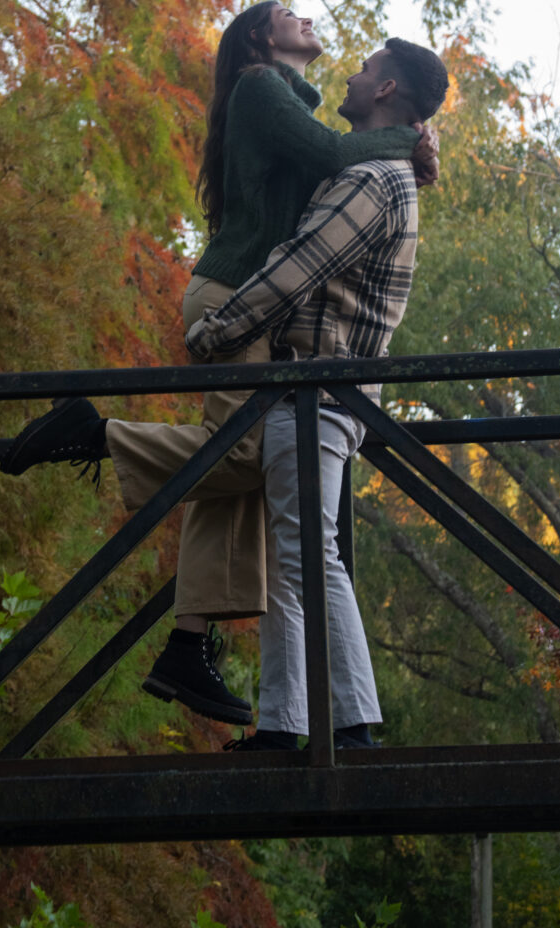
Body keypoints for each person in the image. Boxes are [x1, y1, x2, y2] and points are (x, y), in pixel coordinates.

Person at [0, 3, 435, 729]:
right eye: (292, 14)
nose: (312, 22)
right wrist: (410, 142)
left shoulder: (300, 109)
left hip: (249, 301)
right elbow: (335, 160)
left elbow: (338, 168)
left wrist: (412, 151)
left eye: (369, 69)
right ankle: (97, 434)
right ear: (264, 38)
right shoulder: (262, 88)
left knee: (239, 463)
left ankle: (189, 642)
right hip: (235, 294)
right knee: (247, 454)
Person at [184, 37, 450, 750]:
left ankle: (355, 724)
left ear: (388, 91)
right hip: (308, 390)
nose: (354, 76)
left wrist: (218, 329)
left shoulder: (373, 181)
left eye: (366, 70)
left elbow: (299, 267)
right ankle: (283, 724)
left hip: (319, 391)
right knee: (294, 553)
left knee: (308, 553)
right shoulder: (375, 173)